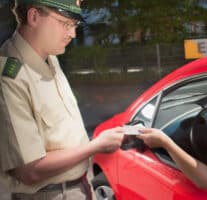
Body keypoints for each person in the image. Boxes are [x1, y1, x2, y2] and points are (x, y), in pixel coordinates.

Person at [0, 0, 124, 199]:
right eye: (65, 23)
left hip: (80, 188)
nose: (72, 34)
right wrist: (97, 145)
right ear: (33, 17)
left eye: (74, 25)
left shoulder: (49, 56)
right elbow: (29, 170)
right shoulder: (8, 76)